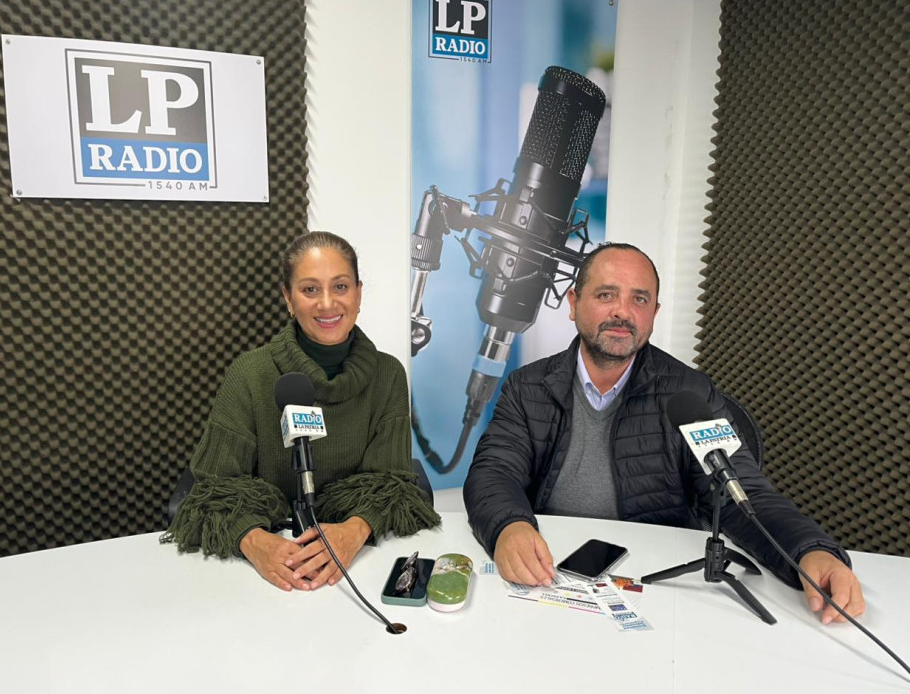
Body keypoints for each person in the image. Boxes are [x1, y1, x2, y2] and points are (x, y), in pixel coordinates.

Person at [463, 242, 864, 625]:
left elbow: (744, 492)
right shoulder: (527, 385)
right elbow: (494, 471)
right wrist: (508, 526)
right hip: (550, 568)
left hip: (653, 580)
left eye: (639, 299)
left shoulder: (690, 391)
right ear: (573, 304)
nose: (622, 311)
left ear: (654, 312)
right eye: (606, 295)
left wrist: (811, 551)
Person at [163, 231, 439, 591]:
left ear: (358, 293)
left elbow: (390, 484)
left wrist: (354, 531)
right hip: (270, 565)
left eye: (340, 287)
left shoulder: (388, 375)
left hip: (357, 564)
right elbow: (213, 488)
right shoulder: (250, 373)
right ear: (288, 299)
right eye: (310, 290)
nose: (327, 304)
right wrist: (254, 541)